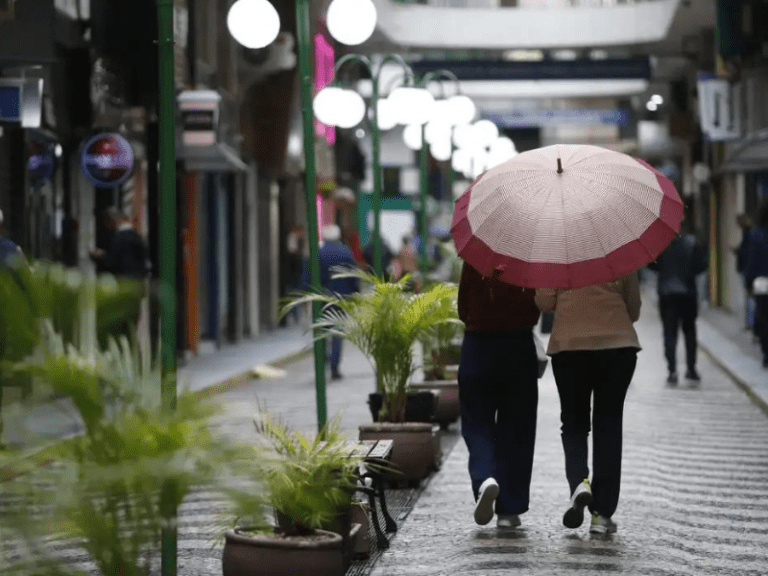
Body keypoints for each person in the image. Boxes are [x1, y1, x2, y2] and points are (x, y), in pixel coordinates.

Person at [535, 272, 641, 535]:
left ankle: (579, 483)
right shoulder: (618, 247)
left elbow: (543, 302)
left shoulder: (558, 251)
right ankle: (602, 515)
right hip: (618, 347)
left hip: (570, 347)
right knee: (608, 425)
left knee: (573, 423)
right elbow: (634, 309)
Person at [458, 262, 540, 529]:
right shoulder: (529, 257)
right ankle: (509, 509)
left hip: (478, 345)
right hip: (519, 347)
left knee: (476, 420)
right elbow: (535, 307)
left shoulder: (476, 256)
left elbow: (462, 307)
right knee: (518, 427)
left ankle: (484, 478)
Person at [647, 220, 708, 384]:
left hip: (667, 294)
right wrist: (689, 273)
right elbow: (702, 265)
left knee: (669, 333)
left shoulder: (661, 244)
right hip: (688, 293)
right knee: (689, 332)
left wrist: (664, 270)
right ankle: (691, 369)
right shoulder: (692, 243)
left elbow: (651, 265)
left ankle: (672, 370)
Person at [303, 224, 359, 380]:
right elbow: (353, 275)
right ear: (338, 236)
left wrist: (304, 295)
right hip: (341, 297)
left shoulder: (317, 252)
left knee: (321, 332)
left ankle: (322, 363)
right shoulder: (346, 252)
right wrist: (355, 293)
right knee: (337, 333)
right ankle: (334, 366)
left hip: (320, 298)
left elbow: (307, 275)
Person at [89, 207, 149, 279]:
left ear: (111, 220)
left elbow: (112, 261)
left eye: (106, 222)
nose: (106, 227)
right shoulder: (136, 235)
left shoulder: (119, 237)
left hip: (124, 279)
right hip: (138, 279)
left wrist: (102, 255)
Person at [743, 201, 768, 368]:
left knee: (764, 316)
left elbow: (751, 261)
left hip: (762, 282)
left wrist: (749, 282)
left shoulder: (756, 234)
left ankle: (766, 353)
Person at [735, 214, 755, 330]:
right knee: (749, 298)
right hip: (747, 270)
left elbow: (747, 253)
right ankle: (750, 322)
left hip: (747, 270)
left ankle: (751, 323)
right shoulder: (749, 234)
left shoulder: (750, 235)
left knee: (749, 298)